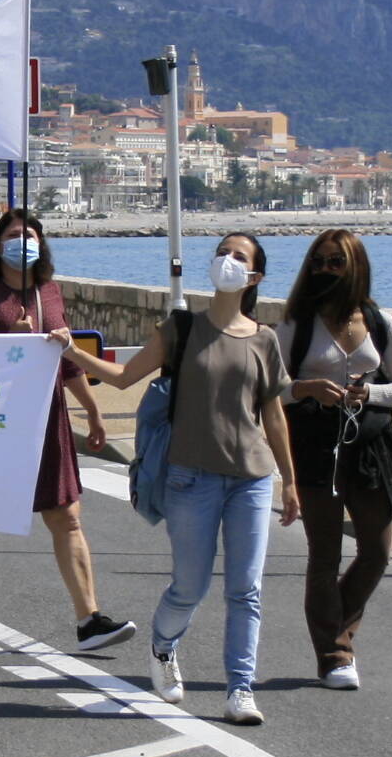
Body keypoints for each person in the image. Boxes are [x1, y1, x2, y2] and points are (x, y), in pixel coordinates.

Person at [64, 234, 300, 724]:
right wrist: (70, 349)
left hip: (251, 480)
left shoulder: (264, 339)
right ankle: (163, 646)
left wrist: (290, 482)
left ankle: (240, 689)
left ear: (255, 277)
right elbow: (124, 376)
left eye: (240, 257)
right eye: (223, 252)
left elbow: (274, 416)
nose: (227, 261)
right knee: (189, 587)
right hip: (190, 477)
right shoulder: (182, 328)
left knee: (245, 589)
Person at [0, 208, 133, 655]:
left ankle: (89, 617)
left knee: (66, 515)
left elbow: (65, 361)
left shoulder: (49, 293)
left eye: (30, 235)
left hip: (48, 418)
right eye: (12, 235)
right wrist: (8, 342)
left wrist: (91, 411)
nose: (22, 242)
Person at [283, 229, 392, 691]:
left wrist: (370, 392)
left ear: (355, 266)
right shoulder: (295, 325)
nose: (325, 270)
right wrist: (306, 388)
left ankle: (334, 623)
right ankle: (335, 654)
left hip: (371, 451)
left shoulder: (379, 322)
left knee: (377, 553)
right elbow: (270, 387)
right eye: (318, 261)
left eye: (336, 262)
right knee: (324, 554)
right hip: (314, 449)